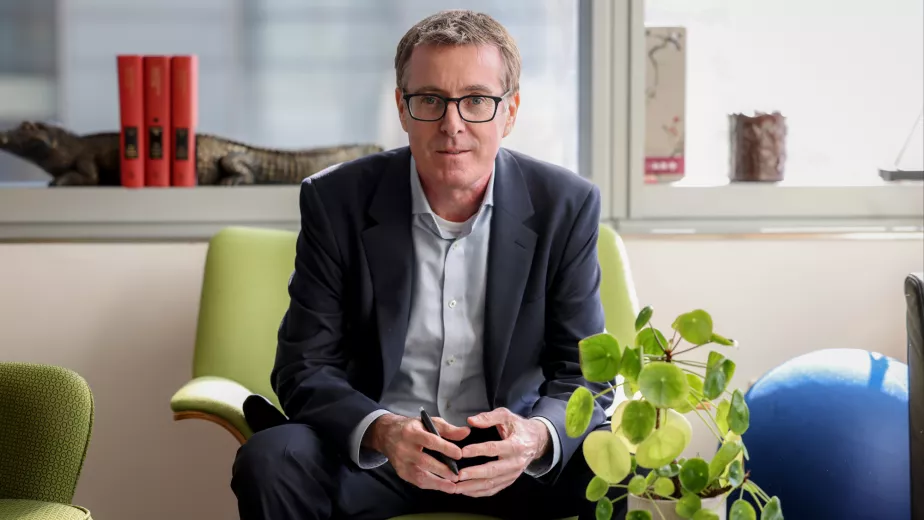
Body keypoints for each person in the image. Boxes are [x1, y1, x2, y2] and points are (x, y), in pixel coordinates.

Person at [230, 9, 624, 520]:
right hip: (378, 457)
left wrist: (533, 438)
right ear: (402, 107)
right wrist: (382, 430)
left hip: (509, 461)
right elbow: (304, 366)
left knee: (615, 461)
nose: (451, 124)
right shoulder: (336, 200)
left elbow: (584, 373)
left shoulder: (564, 205)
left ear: (510, 111)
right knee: (271, 460)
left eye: (476, 100)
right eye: (430, 100)